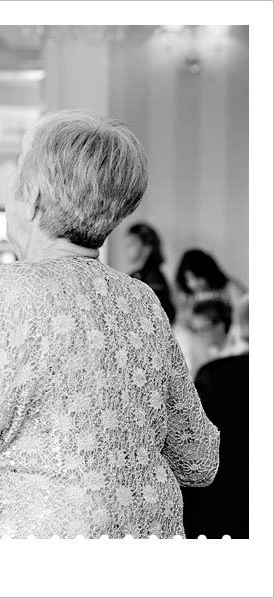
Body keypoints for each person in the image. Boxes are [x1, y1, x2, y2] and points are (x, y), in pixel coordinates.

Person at [0, 110, 220, 538]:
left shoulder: (16, 292)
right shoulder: (142, 301)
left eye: (17, 169)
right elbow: (199, 458)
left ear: (30, 197)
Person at [182, 295, 249, 538]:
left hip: (224, 480)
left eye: (202, 330)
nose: (197, 337)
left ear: (222, 326)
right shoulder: (206, 368)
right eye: (193, 330)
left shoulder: (215, 372)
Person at [122, 222, 176, 323]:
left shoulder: (153, 277)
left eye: (132, 244)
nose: (126, 247)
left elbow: (162, 313)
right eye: (126, 244)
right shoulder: (136, 275)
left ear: (147, 246)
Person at [174, 249, 246, 315]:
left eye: (198, 277)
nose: (193, 284)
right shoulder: (187, 297)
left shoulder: (231, 288)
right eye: (187, 279)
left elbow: (243, 315)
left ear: (209, 273)